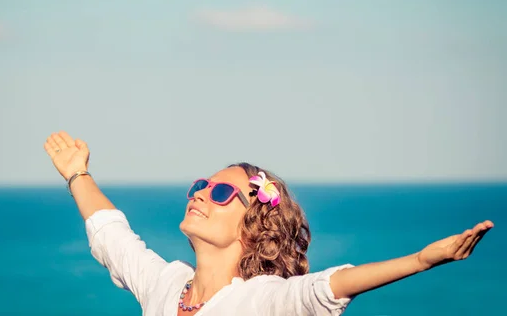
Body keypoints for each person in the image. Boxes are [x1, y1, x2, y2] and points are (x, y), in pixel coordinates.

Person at [44, 131, 493, 316]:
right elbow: (111, 235)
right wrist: (78, 175)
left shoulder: (261, 301)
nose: (201, 193)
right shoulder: (165, 284)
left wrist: (420, 259)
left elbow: (329, 287)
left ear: (252, 227)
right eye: (202, 184)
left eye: (221, 193)